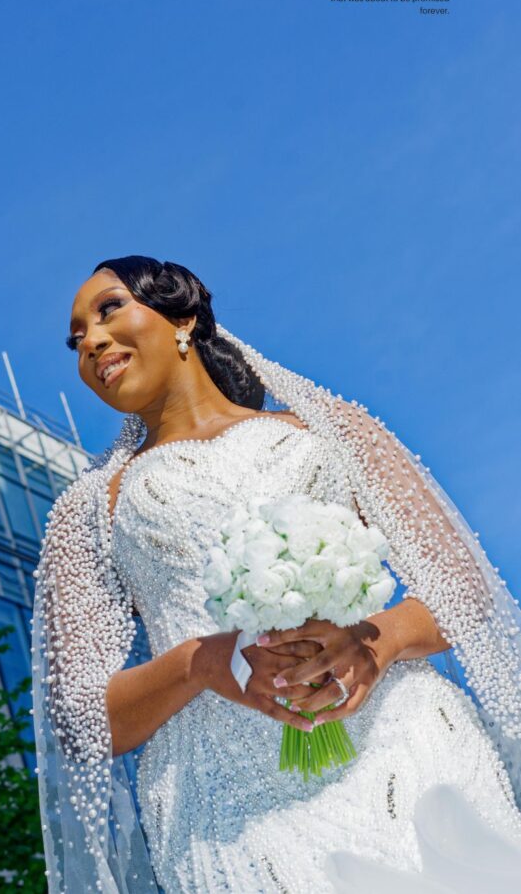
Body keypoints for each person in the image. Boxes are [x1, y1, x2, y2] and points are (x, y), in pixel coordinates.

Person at [32, 255, 521, 894]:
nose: (90, 341)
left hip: (407, 750)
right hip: (228, 816)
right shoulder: (90, 510)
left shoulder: (329, 432)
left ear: (182, 318)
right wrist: (202, 662)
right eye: (76, 340)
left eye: (108, 310)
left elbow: (465, 587)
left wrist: (378, 639)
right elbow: (82, 722)